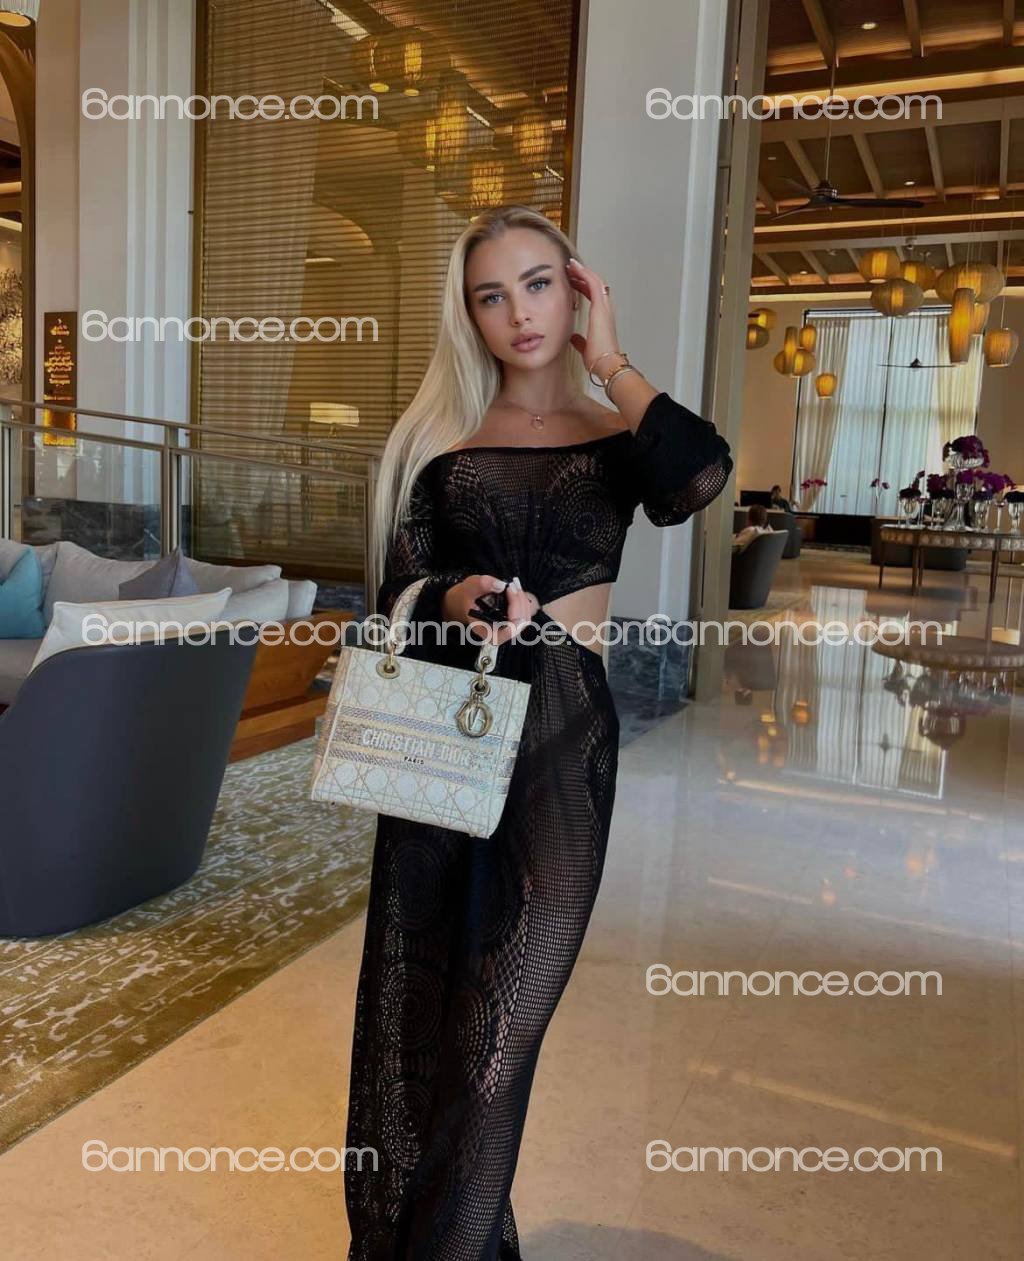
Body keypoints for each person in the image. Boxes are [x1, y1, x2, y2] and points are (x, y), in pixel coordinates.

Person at [345, 203, 733, 1259]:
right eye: (491, 295)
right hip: (448, 737)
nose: (517, 312)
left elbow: (699, 474)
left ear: (576, 291)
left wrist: (610, 361)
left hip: (562, 752)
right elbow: (394, 587)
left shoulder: (618, 439)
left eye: (538, 284)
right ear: (468, 316)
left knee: (495, 1044)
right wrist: (454, 593)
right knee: (424, 1016)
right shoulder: (438, 441)